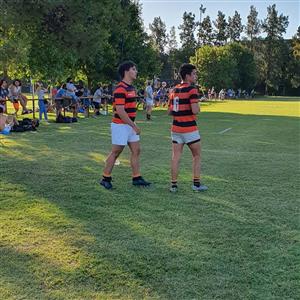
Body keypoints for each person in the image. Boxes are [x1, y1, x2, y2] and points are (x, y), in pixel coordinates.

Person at [100, 61, 151, 189]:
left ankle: (136, 177)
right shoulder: (120, 89)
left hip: (129, 124)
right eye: (133, 69)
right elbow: (120, 111)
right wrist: (133, 126)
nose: (136, 72)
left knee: (136, 150)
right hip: (120, 125)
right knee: (116, 151)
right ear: (126, 71)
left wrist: (133, 124)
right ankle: (105, 178)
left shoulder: (131, 88)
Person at [168, 63, 208, 193]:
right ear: (187, 75)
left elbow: (170, 111)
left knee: (176, 157)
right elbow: (195, 110)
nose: (196, 76)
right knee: (197, 156)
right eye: (194, 74)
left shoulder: (173, 90)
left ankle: (173, 185)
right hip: (190, 129)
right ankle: (196, 184)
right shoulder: (192, 90)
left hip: (176, 128)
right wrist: (198, 106)